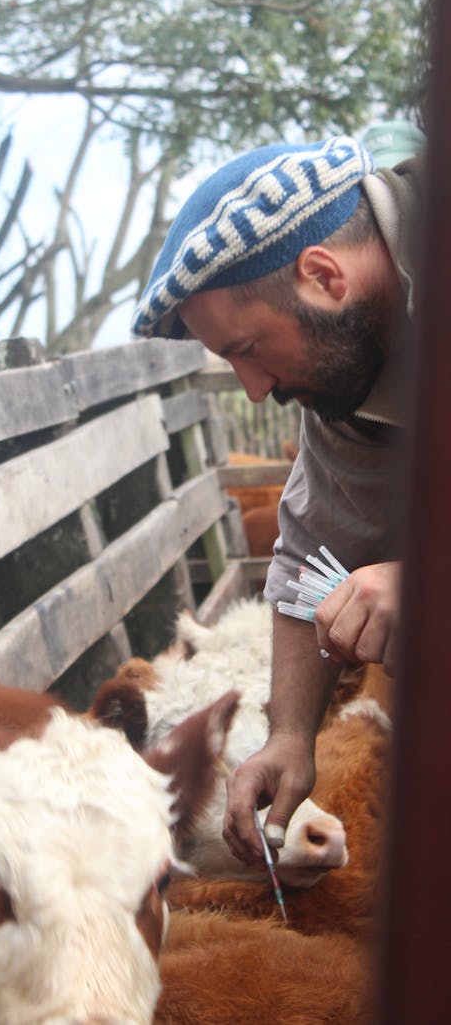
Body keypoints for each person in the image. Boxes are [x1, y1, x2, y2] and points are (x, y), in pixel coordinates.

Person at [131, 134, 423, 873]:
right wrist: (290, 732)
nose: (254, 388)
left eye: (248, 348)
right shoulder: (346, 391)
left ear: (324, 274)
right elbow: (308, 557)